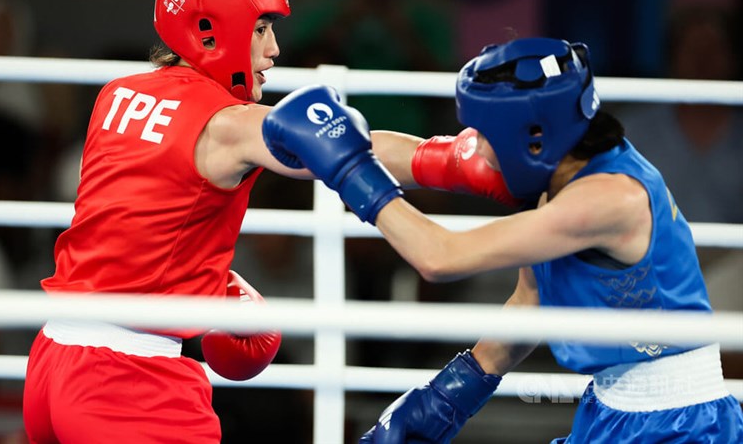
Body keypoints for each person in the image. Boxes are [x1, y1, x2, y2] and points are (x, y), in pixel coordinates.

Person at [21, 0, 519, 443]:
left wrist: (194, 278)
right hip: (128, 381)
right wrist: (456, 161)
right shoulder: (228, 125)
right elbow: (336, 141)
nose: (275, 49)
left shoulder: (118, 94)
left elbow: (139, 212)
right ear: (212, 31)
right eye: (261, 28)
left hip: (52, 358)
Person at [261, 37, 743, 443]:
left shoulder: (607, 199)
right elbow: (530, 299)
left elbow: (440, 256)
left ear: (534, 137)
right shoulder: (563, 163)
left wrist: (350, 175)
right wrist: (442, 400)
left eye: (485, 133)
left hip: (678, 422)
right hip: (612, 408)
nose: (474, 143)